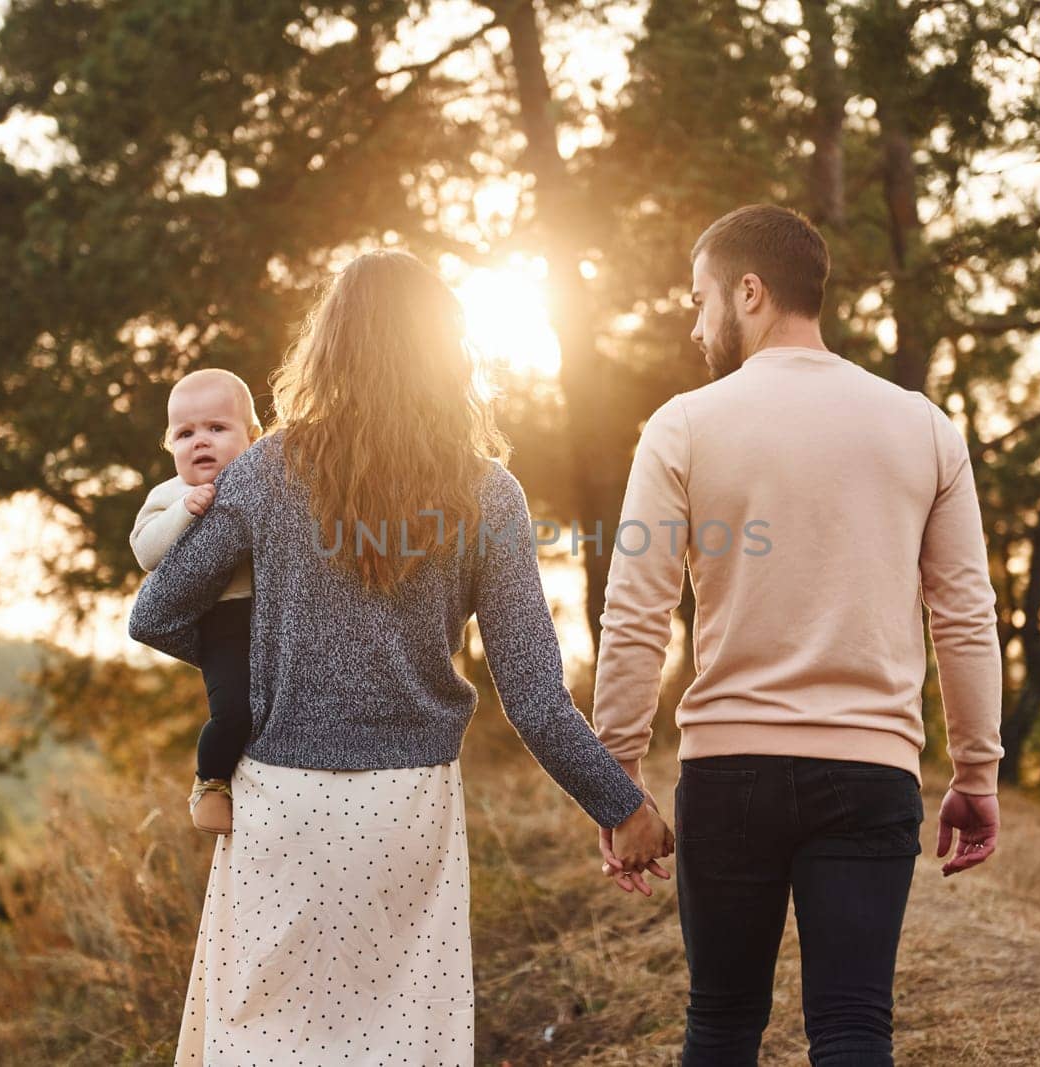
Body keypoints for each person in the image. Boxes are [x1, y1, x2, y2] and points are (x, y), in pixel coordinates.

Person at [127, 249, 673, 1065]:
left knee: (271, 1039)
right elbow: (532, 695)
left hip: (282, 800)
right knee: (396, 1040)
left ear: (329, 346)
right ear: (445, 352)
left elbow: (156, 611)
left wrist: (250, 665)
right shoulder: (487, 491)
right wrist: (621, 807)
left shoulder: (266, 471)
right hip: (405, 807)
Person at [590, 204, 1006, 1066]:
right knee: (855, 1028)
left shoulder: (683, 425)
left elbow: (636, 608)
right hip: (870, 772)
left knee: (722, 1022)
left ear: (750, 291)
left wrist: (619, 772)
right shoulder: (925, 427)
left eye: (701, 299)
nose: (695, 322)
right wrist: (976, 771)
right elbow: (964, 614)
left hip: (729, 774)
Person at [130, 368, 261, 834]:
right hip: (221, 617)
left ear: (253, 437)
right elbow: (145, 551)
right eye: (185, 434)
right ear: (170, 446)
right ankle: (210, 782)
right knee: (233, 709)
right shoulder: (170, 494)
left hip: (275, 612)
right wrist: (184, 513)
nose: (199, 442)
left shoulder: (266, 485)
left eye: (216, 428)